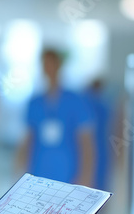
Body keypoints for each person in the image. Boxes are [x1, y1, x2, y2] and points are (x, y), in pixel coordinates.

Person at [17, 48, 96, 186]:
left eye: (51, 63)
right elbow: (28, 139)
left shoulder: (75, 101)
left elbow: (86, 142)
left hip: (68, 170)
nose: (49, 68)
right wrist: (19, 166)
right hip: (39, 169)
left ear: (59, 65)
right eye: (45, 64)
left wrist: (86, 175)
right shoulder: (35, 103)